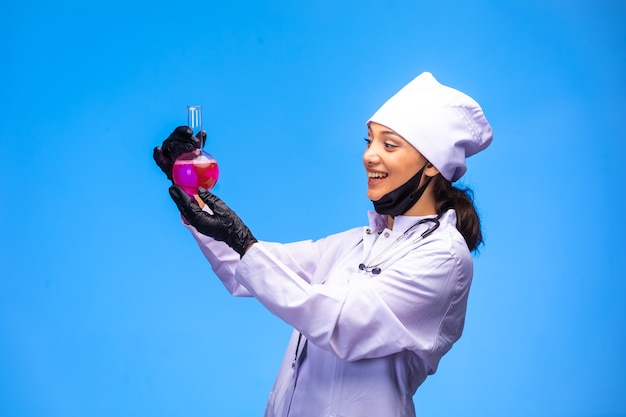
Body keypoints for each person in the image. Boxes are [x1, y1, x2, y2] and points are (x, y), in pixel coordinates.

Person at [154, 71, 493, 417]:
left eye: (389, 144)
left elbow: (342, 322)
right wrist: (191, 191)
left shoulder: (444, 257)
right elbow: (247, 269)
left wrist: (242, 241)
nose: (369, 156)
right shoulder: (357, 243)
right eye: (369, 141)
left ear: (432, 166)